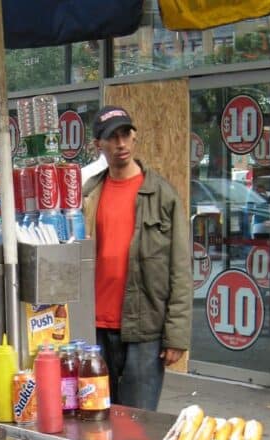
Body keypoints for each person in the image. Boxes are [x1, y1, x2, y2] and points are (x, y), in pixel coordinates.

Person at [82, 105, 192, 411]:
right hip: (94, 329)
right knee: (95, 418)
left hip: (145, 328)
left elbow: (180, 268)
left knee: (137, 425)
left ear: (135, 137)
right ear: (98, 145)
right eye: (112, 137)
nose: (121, 144)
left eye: (126, 134)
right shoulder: (89, 193)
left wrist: (177, 335)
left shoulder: (162, 195)